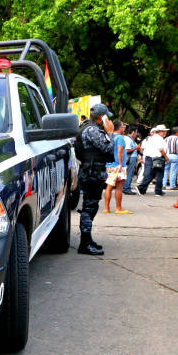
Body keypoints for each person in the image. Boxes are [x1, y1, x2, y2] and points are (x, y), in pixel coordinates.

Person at [77, 104, 114, 256]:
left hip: (93, 172)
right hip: (92, 173)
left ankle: (87, 240)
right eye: (107, 117)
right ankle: (85, 243)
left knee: (91, 205)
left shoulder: (89, 127)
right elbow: (107, 148)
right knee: (89, 207)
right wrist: (110, 133)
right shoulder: (92, 130)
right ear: (102, 117)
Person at [103, 121, 131, 214]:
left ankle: (106, 208)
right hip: (118, 166)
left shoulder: (109, 136)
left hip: (109, 165)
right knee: (119, 187)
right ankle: (118, 208)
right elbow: (120, 150)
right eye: (123, 127)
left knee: (109, 187)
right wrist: (120, 164)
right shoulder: (120, 138)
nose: (124, 129)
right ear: (119, 128)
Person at [138, 125, 169, 196]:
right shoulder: (159, 139)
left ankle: (141, 188)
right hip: (157, 158)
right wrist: (166, 157)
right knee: (159, 174)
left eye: (165, 131)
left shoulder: (151, 138)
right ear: (158, 132)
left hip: (150, 157)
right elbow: (161, 149)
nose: (165, 132)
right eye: (163, 131)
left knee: (151, 175)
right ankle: (158, 191)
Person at [122, 125, 140, 195]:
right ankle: (126, 188)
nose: (136, 134)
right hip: (131, 158)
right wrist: (136, 148)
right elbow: (127, 150)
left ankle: (126, 187)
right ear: (133, 132)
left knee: (130, 173)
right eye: (136, 132)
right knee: (129, 173)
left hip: (132, 157)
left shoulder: (130, 139)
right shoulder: (128, 139)